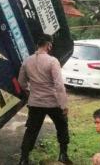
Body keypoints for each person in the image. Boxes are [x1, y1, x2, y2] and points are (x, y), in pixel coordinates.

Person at [17, 34, 71, 165]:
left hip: (35, 103)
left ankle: (24, 159)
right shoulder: (52, 61)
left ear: (37, 45)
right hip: (53, 103)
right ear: (49, 45)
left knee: (31, 130)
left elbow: (21, 81)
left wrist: (29, 90)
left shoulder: (27, 61)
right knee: (62, 126)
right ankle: (63, 155)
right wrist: (64, 105)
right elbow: (59, 85)